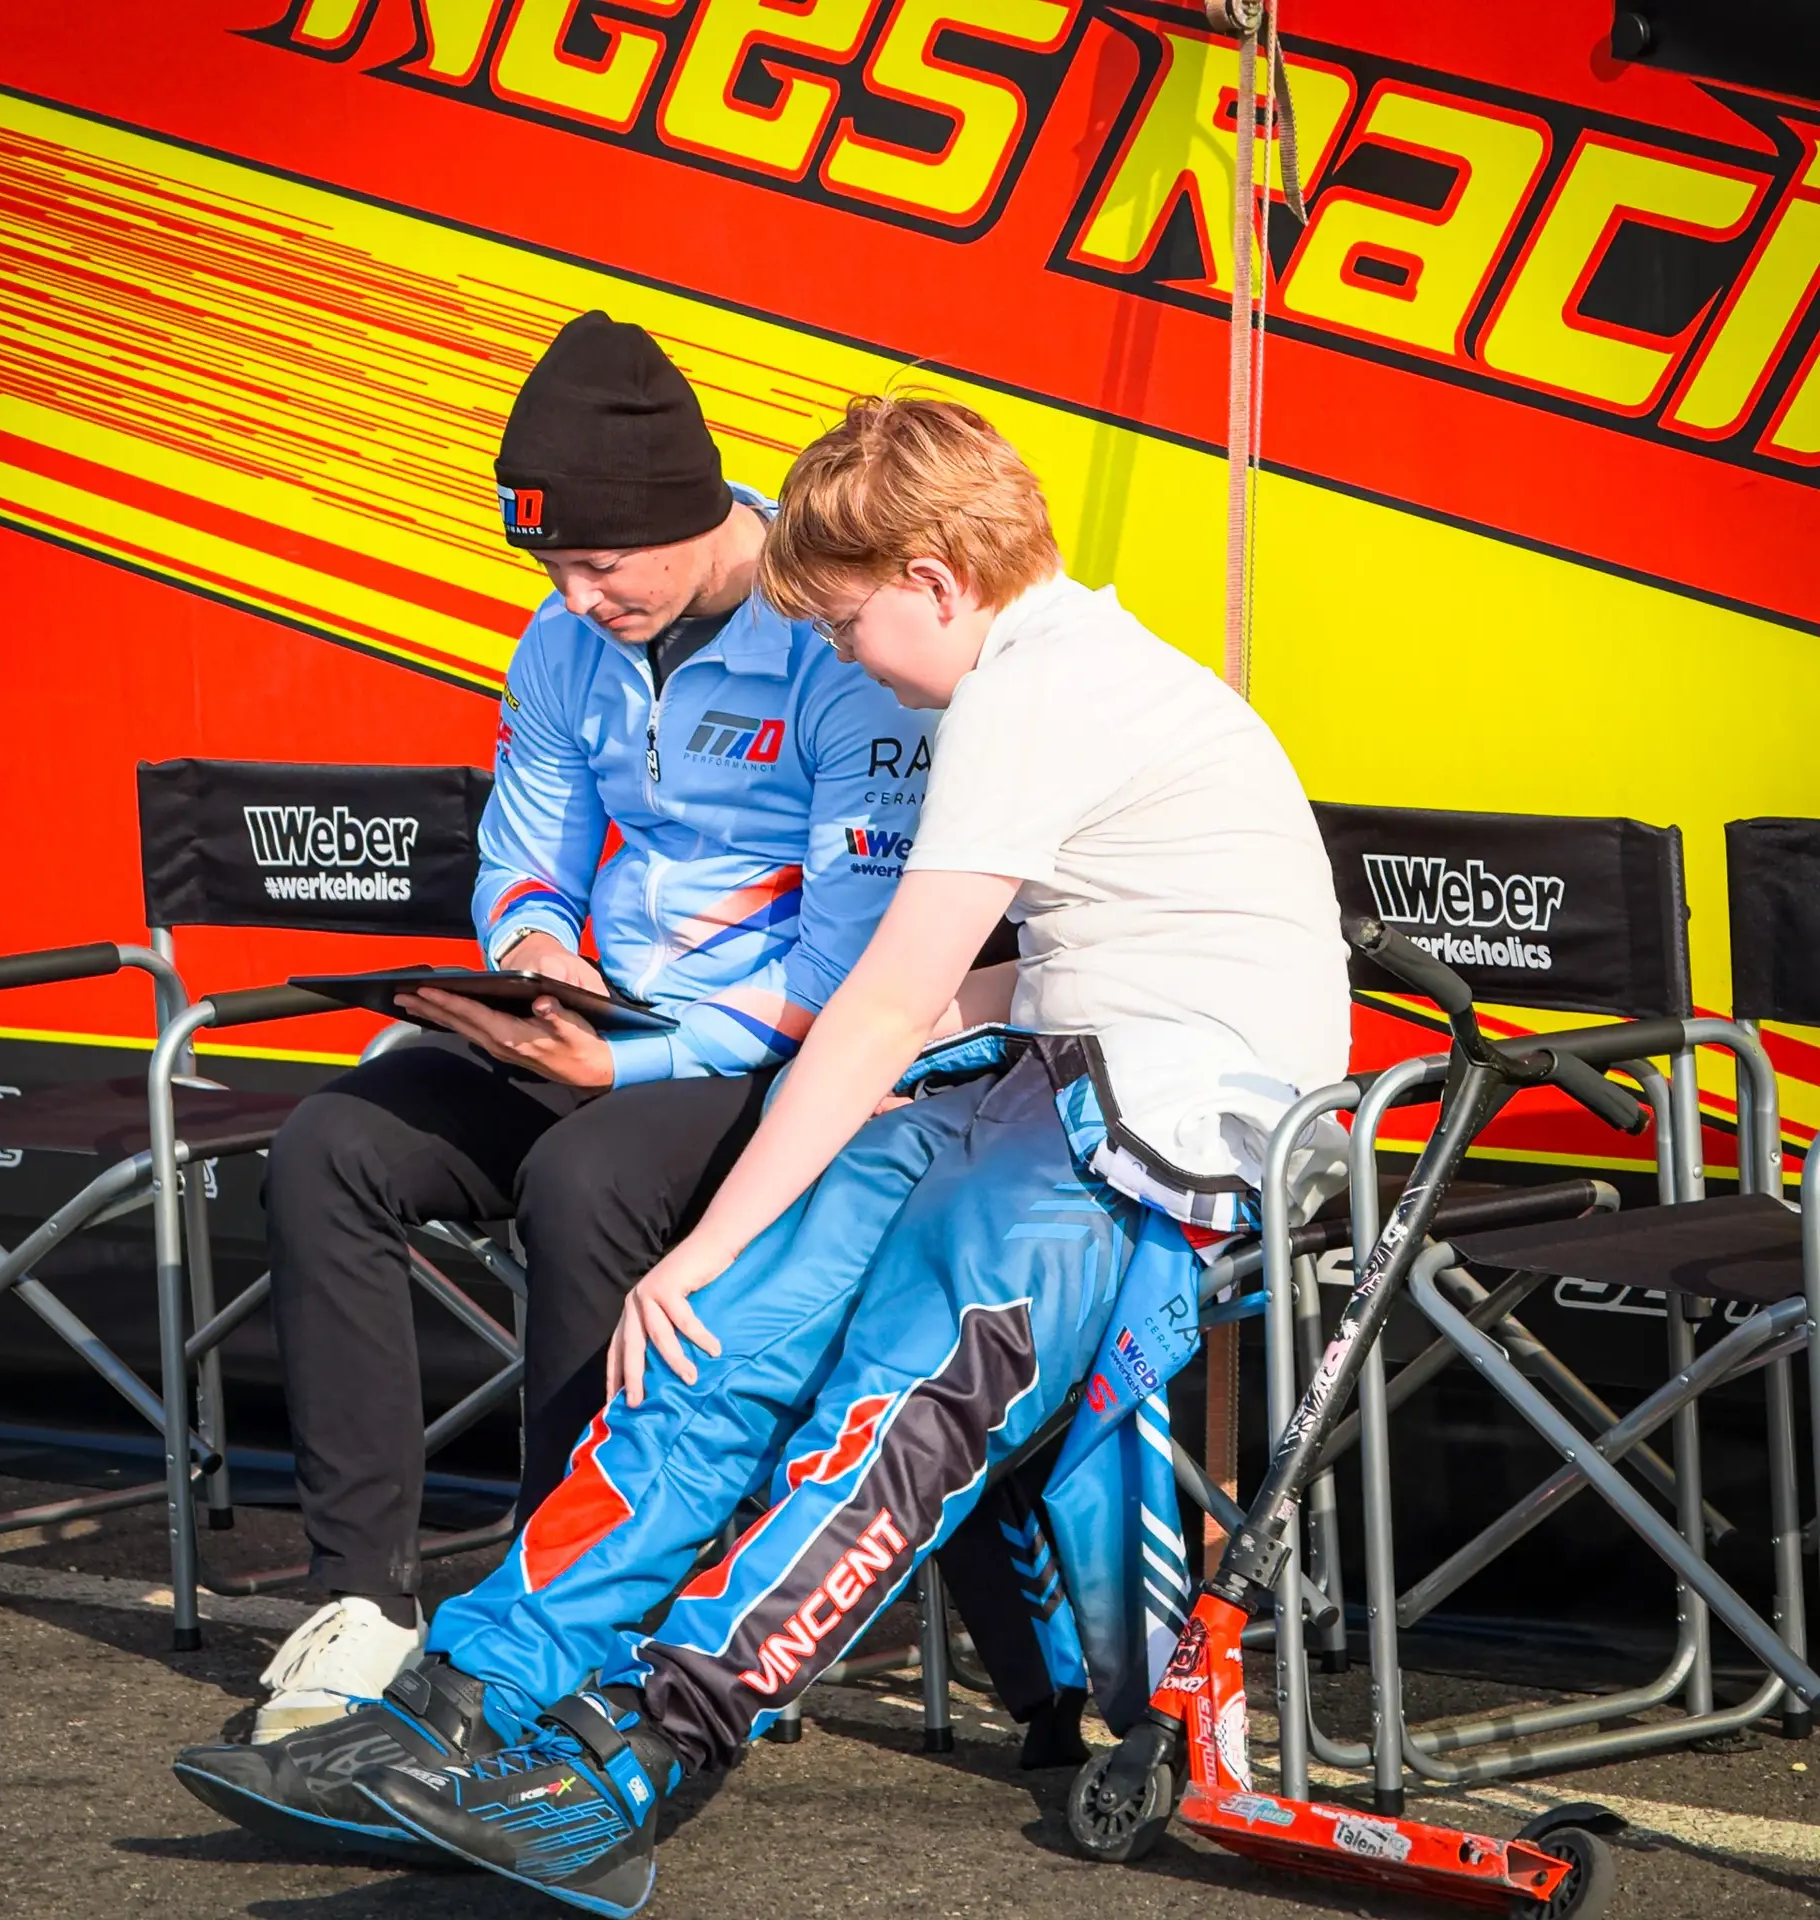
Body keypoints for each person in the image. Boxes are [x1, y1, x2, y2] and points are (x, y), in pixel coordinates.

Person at [181, 394, 1348, 1913]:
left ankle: (642, 1760)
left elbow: (882, 1005)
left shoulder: (1031, 695)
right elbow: (998, 985)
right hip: (1039, 1078)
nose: (851, 659)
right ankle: (472, 1689)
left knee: (887, 1411)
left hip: (1165, 1140)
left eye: (854, 624)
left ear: (935, 578)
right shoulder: (1042, 670)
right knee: (715, 1339)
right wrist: (718, 1258)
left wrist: (707, 1231)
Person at [237, 312, 940, 1741]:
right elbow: (528, 860)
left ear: (689, 517)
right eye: (548, 564)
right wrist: (534, 968)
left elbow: (854, 961)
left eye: (600, 561)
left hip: (776, 1059)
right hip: (596, 1027)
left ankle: (562, 1619)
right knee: (331, 1145)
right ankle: (363, 1606)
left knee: (586, 1176)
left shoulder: (839, 646)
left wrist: (630, 1057)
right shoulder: (564, 642)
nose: (575, 592)